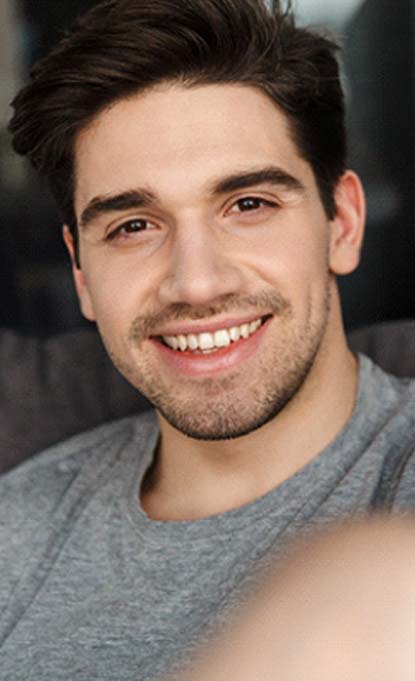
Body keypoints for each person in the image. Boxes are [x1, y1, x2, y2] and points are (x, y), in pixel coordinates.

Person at [1, 0, 414, 678]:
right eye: (132, 225)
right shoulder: (15, 530)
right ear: (81, 273)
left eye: (248, 205)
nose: (195, 283)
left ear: (340, 222)